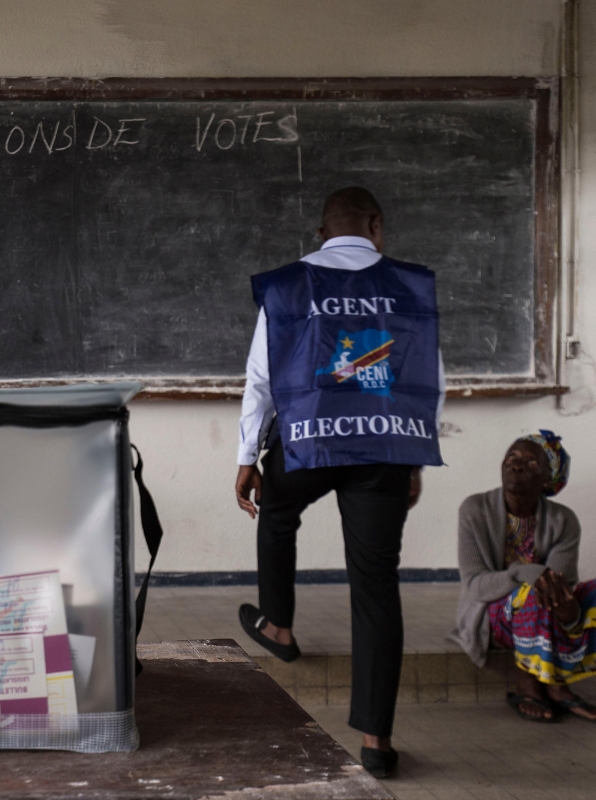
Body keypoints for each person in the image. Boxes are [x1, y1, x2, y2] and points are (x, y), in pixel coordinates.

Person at [233, 187, 445, 779]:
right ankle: (376, 742)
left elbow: (262, 380)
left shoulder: (286, 286)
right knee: (375, 586)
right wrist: (414, 460)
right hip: (383, 447)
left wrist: (249, 456)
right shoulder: (409, 286)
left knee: (275, 510)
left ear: (322, 230)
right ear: (375, 225)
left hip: (309, 443)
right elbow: (427, 381)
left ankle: (278, 624)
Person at [453, 431, 596, 722]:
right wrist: (523, 571)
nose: (516, 465)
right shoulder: (474, 509)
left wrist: (569, 611)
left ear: (548, 478)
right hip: (493, 611)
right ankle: (541, 684)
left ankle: (550, 680)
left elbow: (560, 584)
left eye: (531, 463)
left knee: (556, 591)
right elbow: (476, 584)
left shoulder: (564, 519)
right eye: (512, 457)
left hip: (549, 610)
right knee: (534, 591)